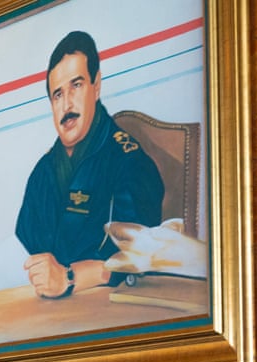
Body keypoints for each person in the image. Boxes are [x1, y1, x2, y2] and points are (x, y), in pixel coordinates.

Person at [15, 30, 165, 299]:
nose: (67, 104)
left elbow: (144, 258)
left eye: (77, 85)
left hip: (113, 315)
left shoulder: (129, 163)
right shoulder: (42, 172)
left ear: (97, 86)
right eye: (57, 95)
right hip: (51, 316)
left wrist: (70, 277)